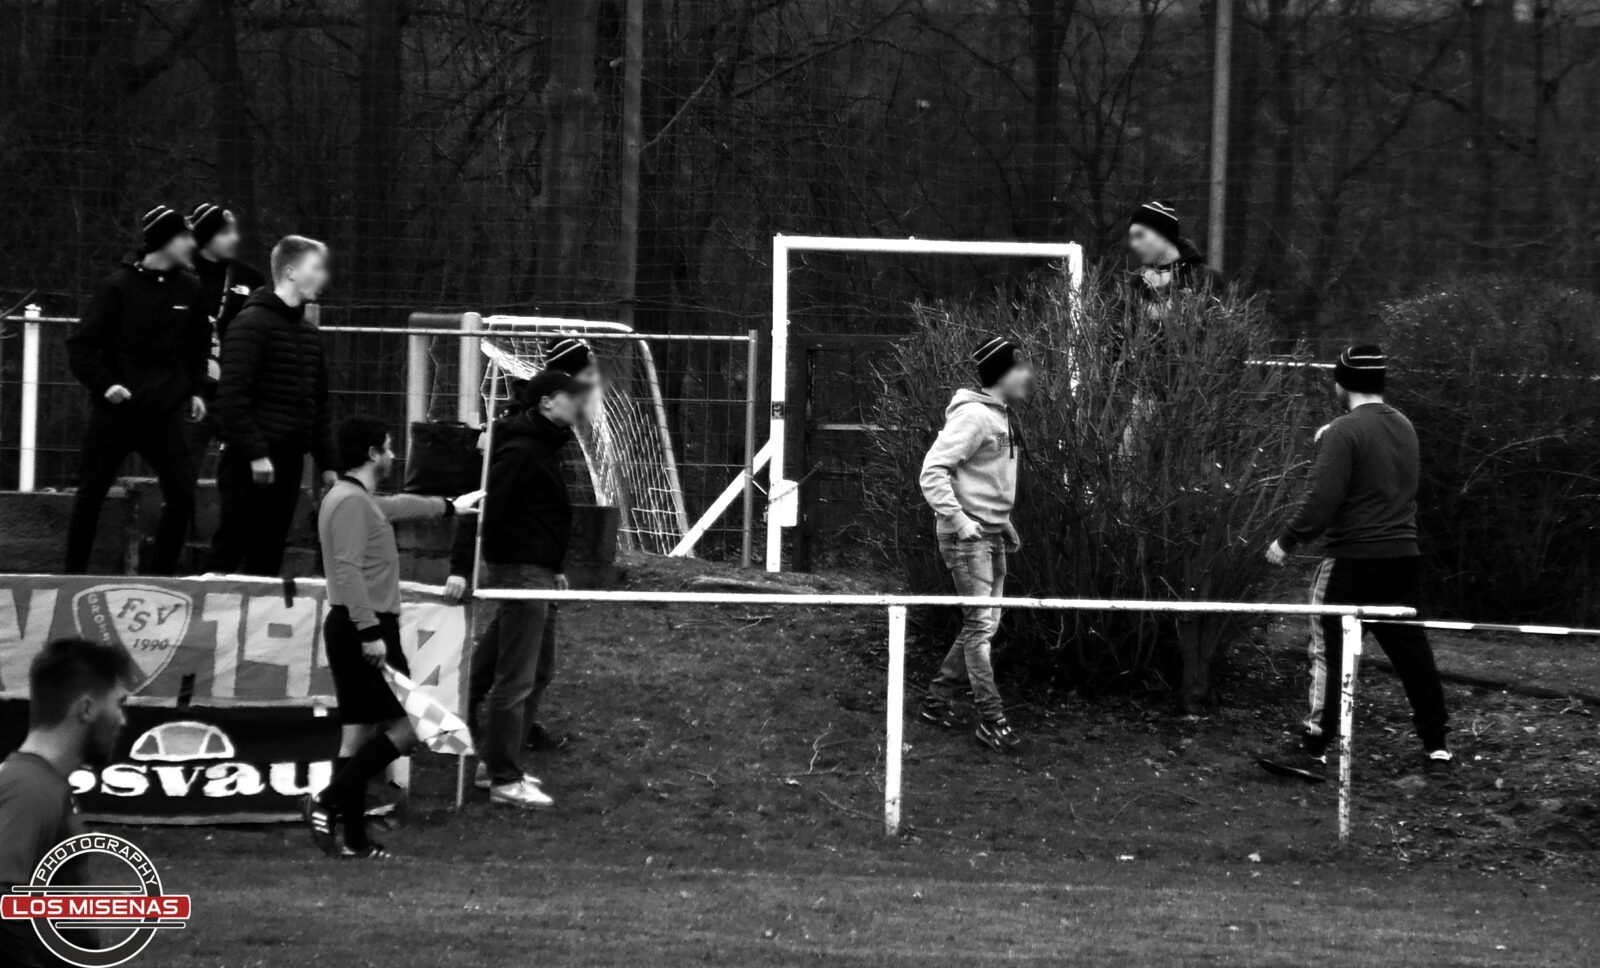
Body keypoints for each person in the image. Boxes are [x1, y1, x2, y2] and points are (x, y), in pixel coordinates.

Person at [1259, 345, 1451, 782]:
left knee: (1327, 650)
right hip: (1403, 557)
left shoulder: (1342, 432)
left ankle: (1313, 747)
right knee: (1412, 654)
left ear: (1342, 383)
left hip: (1352, 560)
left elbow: (1323, 498)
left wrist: (1287, 540)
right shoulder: (1404, 427)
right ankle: (1437, 744)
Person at [304, 417, 480, 859]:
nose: (393, 455)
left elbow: (397, 505)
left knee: (357, 736)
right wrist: (368, 631)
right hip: (364, 627)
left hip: (359, 626)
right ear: (371, 453)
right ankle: (324, 802)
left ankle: (355, 842)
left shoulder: (356, 499)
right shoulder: (349, 502)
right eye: (387, 447)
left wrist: (448, 506)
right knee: (408, 728)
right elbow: (345, 569)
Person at [466, 369, 591, 807]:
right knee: (516, 677)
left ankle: (493, 759)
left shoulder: (544, 447)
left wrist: (554, 565)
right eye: (570, 395)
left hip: (539, 571)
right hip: (520, 573)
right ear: (545, 403)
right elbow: (487, 509)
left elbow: (543, 515)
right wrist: (466, 566)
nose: (580, 403)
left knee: (530, 671)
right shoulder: (521, 450)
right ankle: (502, 775)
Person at [64, 205, 210, 576]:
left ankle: (160, 578)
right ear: (164, 240)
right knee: (90, 496)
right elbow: (80, 346)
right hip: (116, 412)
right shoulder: (118, 287)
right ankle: (70, 577)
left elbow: (198, 347)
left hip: (162, 414)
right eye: (185, 237)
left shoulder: (190, 289)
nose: (192, 244)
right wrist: (106, 384)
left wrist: (196, 390)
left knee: (181, 494)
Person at [917, 337, 1031, 754]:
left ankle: (936, 699)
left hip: (990, 532)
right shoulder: (975, 418)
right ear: (1003, 373)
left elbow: (986, 480)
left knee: (982, 625)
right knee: (982, 627)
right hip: (967, 538)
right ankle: (991, 719)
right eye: (1021, 368)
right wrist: (959, 519)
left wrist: (1004, 523)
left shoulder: (1001, 417)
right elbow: (932, 472)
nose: (1028, 375)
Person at [0, 637, 136, 967]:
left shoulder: (41, 783)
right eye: (118, 704)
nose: (123, 719)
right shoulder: (30, 790)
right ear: (86, 709)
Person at [212, 235, 339, 576]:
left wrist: (328, 463)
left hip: (288, 462)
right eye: (316, 268)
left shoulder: (309, 336)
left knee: (268, 558)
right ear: (290, 271)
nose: (323, 277)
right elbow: (231, 398)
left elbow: (318, 405)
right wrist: (255, 452)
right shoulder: (250, 324)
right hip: (247, 464)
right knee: (231, 553)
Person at [185, 203, 267, 476]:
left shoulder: (250, 278)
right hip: (193, 395)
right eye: (225, 233)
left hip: (238, 395)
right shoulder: (181, 275)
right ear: (206, 238)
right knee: (181, 478)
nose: (235, 239)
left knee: (244, 476)